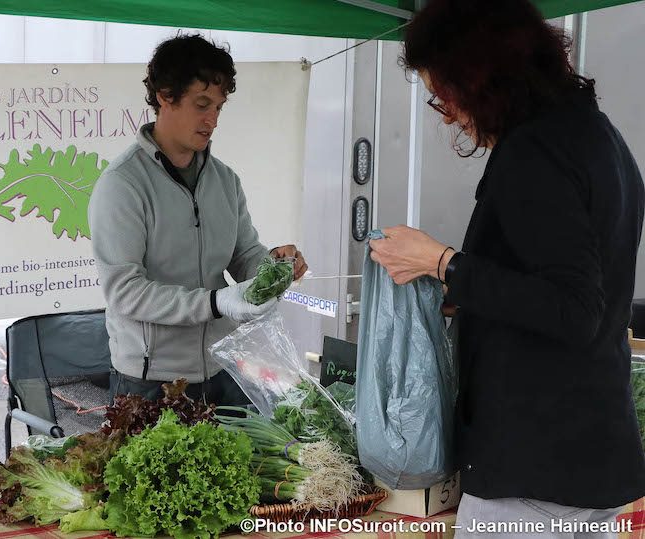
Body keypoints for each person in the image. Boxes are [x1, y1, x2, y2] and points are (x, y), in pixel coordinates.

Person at [370, 0, 645, 535]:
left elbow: (573, 309)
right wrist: (456, 289)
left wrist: (442, 261)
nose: (445, 113)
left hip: (536, 476)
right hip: (583, 458)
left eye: (443, 94)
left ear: (482, 79)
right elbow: (558, 282)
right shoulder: (596, 135)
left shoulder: (534, 151)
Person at [88, 34, 307, 406]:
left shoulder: (225, 180)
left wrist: (274, 265)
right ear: (165, 96)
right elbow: (125, 292)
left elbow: (244, 256)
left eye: (219, 107)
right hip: (148, 382)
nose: (213, 120)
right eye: (202, 104)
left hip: (222, 369)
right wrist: (216, 302)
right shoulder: (123, 185)